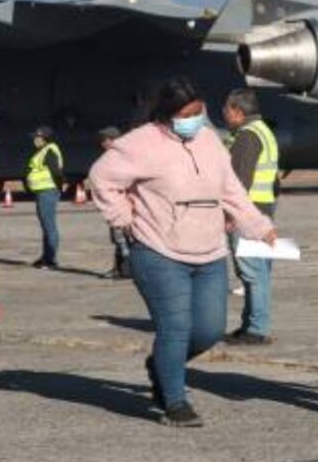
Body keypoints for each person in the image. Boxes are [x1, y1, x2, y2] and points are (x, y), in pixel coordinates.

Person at [89, 76, 277, 427]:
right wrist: (124, 219)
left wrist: (258, 225)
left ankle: (162, 365)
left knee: (208, 330)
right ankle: (174, 402)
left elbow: (232, 190)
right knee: (175, 327)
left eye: (199, 113)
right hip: (158, 250)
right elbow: (101, 177)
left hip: (209, 251)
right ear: (167, 114)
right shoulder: (140, 143)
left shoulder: (210, 141)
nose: (194, 120)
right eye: (186, 115)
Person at [221, 88, 279, 345]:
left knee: (252, 272)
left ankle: (256, 328)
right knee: (259, 271)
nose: (223, 113)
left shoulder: (247, 136)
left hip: (248, 214)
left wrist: (231, 214)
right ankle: (251, 324)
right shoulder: (263, 131)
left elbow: (239, 182)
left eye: (226, 108)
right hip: (263, 209)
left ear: (237, 111)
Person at [96, 126, 132, 280]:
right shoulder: (112, 157)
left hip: (122, 202)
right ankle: (120, 268)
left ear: (113, 140)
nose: (102, 143)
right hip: (114, 202)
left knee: (123, 237)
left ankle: (128, 268)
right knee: (118, 237)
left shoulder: (122, 157)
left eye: (104, 140)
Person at [26, 125, 64, 269]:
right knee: (46, 226)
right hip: (43, 191)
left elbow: (57, 172)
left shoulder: (49, 151)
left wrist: (58, 188)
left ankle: (51, 259)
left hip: (47, 191)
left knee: (49, 226)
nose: (34, 140)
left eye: (37, 137)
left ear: (45, 138)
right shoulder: (43, 151)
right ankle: (46, 257)